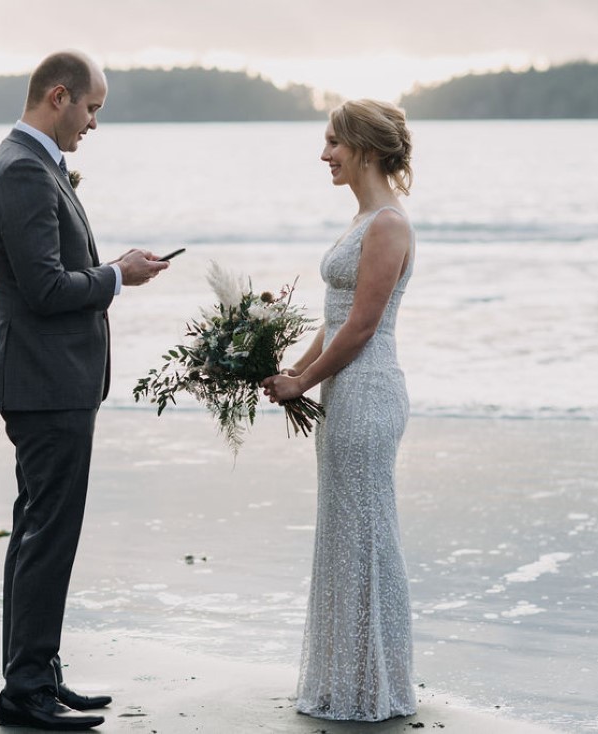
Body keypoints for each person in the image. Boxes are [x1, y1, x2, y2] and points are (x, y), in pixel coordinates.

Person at [0, 50, 169, 731]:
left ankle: (37, 675)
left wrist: (113, 268)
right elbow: (47, 288)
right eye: (92, 109)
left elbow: (50, 274)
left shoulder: (28, 164)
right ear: (58, 97)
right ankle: (26, 690)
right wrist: (119, 275)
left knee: (36, 531)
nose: (94, 123)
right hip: (46, 384)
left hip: (45, 381)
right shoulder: (24, 172)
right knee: (47, 536)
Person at [262, 99, 417, 722]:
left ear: (367, 149)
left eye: (334, 143)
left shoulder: (388, 225)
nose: (324, 155)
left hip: (369, 391)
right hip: (341, 389)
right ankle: (346, 679)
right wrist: (296, 372)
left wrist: (303, 385)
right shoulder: (361, 219)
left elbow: (361, 329)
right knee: (343, 533)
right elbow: (334, 323)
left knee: (367, 534)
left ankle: (375, 686)